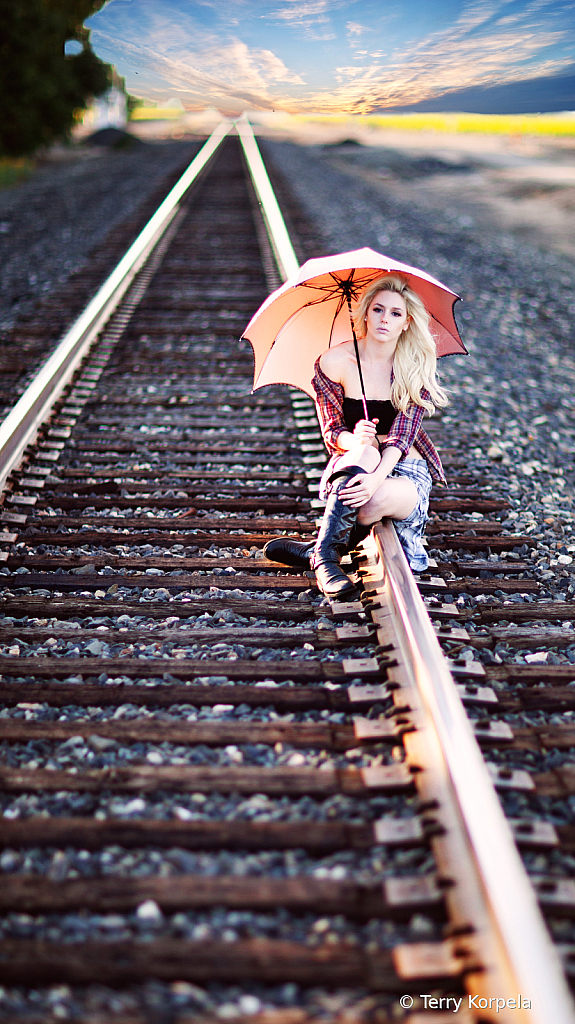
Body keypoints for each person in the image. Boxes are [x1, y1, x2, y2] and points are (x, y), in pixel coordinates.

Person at [264, 273, 448, 598]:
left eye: (395, 313)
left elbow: (401, 439)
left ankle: (314, 552)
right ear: (365, 312)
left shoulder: (414, 366)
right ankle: (325, 560)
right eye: (378, 310)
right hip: (356, 461)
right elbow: (332, 432)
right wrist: (356, 438)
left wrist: (377, 478)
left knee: (370, 498)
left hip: (404, 467)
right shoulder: (334, 362)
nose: (384, 320)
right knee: (366, 452)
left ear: (407, 323)